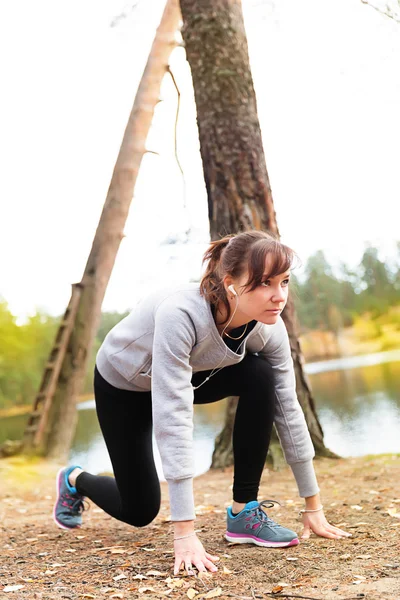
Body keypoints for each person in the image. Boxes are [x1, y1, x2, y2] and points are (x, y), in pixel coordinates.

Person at [53, 230, 350, 575]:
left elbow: (288, 407)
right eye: (265, 283)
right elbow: (173, 416)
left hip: (193, 373)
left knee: (260, 376)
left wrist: (312, 506)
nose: (278, 296)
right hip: (125, 383)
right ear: (231, 284)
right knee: (139, 510)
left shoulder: (269, 328)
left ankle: (244, 512)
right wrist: (184, 534)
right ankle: (75, 479)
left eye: (284, 282)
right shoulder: (181, 313)